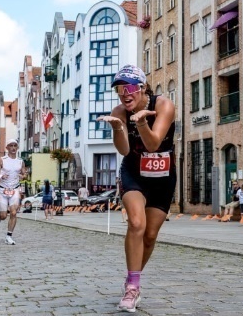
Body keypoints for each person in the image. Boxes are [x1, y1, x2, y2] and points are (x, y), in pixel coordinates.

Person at [96, 64, 176, 312]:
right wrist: (119, 128)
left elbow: (153, 145)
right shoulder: (119, 111)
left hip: (163, 175)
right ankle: (133, 288)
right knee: (136, 224)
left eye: (129, 88)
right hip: (133, 173)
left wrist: (141, 122)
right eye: (119, 89)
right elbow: (124, 150)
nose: (124, 94)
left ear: (142, 88)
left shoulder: (163, 105)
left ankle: (132, 279)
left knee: (150, 235)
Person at [0, 139, 26, 245]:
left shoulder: (20, 161)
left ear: (17, 148)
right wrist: (0, 176)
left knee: (13, 212)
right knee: (4, 216)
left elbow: (25, 174)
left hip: (15, 189)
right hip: (3, 189)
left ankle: (9, 236)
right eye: (11, 146)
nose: (13, 148)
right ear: (7, 148)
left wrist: (23, 176)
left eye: (15, 145)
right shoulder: (2, 160)